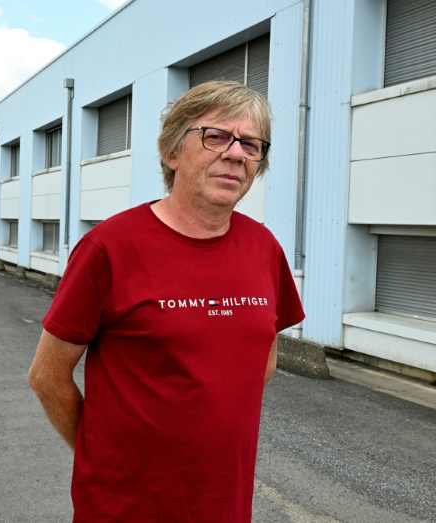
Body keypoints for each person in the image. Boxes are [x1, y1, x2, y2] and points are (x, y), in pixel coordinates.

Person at [28, 80, 305, 522]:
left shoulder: (264, 248)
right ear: (170, 151)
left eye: (251, 145)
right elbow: (47, 376)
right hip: (123, 507)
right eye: (215, 136)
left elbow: (262, 363)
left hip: (225, 504)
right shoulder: (110, 247)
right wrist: (104, 456)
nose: (235, 154)